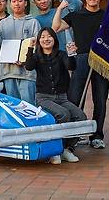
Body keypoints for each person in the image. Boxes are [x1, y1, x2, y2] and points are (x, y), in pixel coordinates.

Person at [52, 0, 108, 149]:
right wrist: (60, 9)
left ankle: (97, 136)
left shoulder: (107, 16)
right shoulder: (76, 15)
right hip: (82, 59)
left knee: (100, 99)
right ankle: (73, 137)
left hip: (102, 61)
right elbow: (55, 27)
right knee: (74, 98)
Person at [24, 27, 85, 164]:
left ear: (54, 39)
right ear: (39, 41)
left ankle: (67, 148)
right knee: (63, 114)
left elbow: (71, 66)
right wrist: (30, 48)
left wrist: (71, 54)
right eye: (43, 37)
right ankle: (56, 150)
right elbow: (28, 66)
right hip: (43, 97)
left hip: (62, 97)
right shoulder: (36, 56)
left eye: (49, 36)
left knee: (80, 116)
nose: (46, 39)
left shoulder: (62, 54)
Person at [0, 0, 41, 104]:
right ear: (10, 4)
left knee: (29, 106)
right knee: (13, 107)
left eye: (20, 1)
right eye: (14, 1)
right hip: (8, 71)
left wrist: (26, 60)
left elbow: (38, 45)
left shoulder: (33, 22)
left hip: (27, 73)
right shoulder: (2, 23)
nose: (17, 4)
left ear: (25, 3)